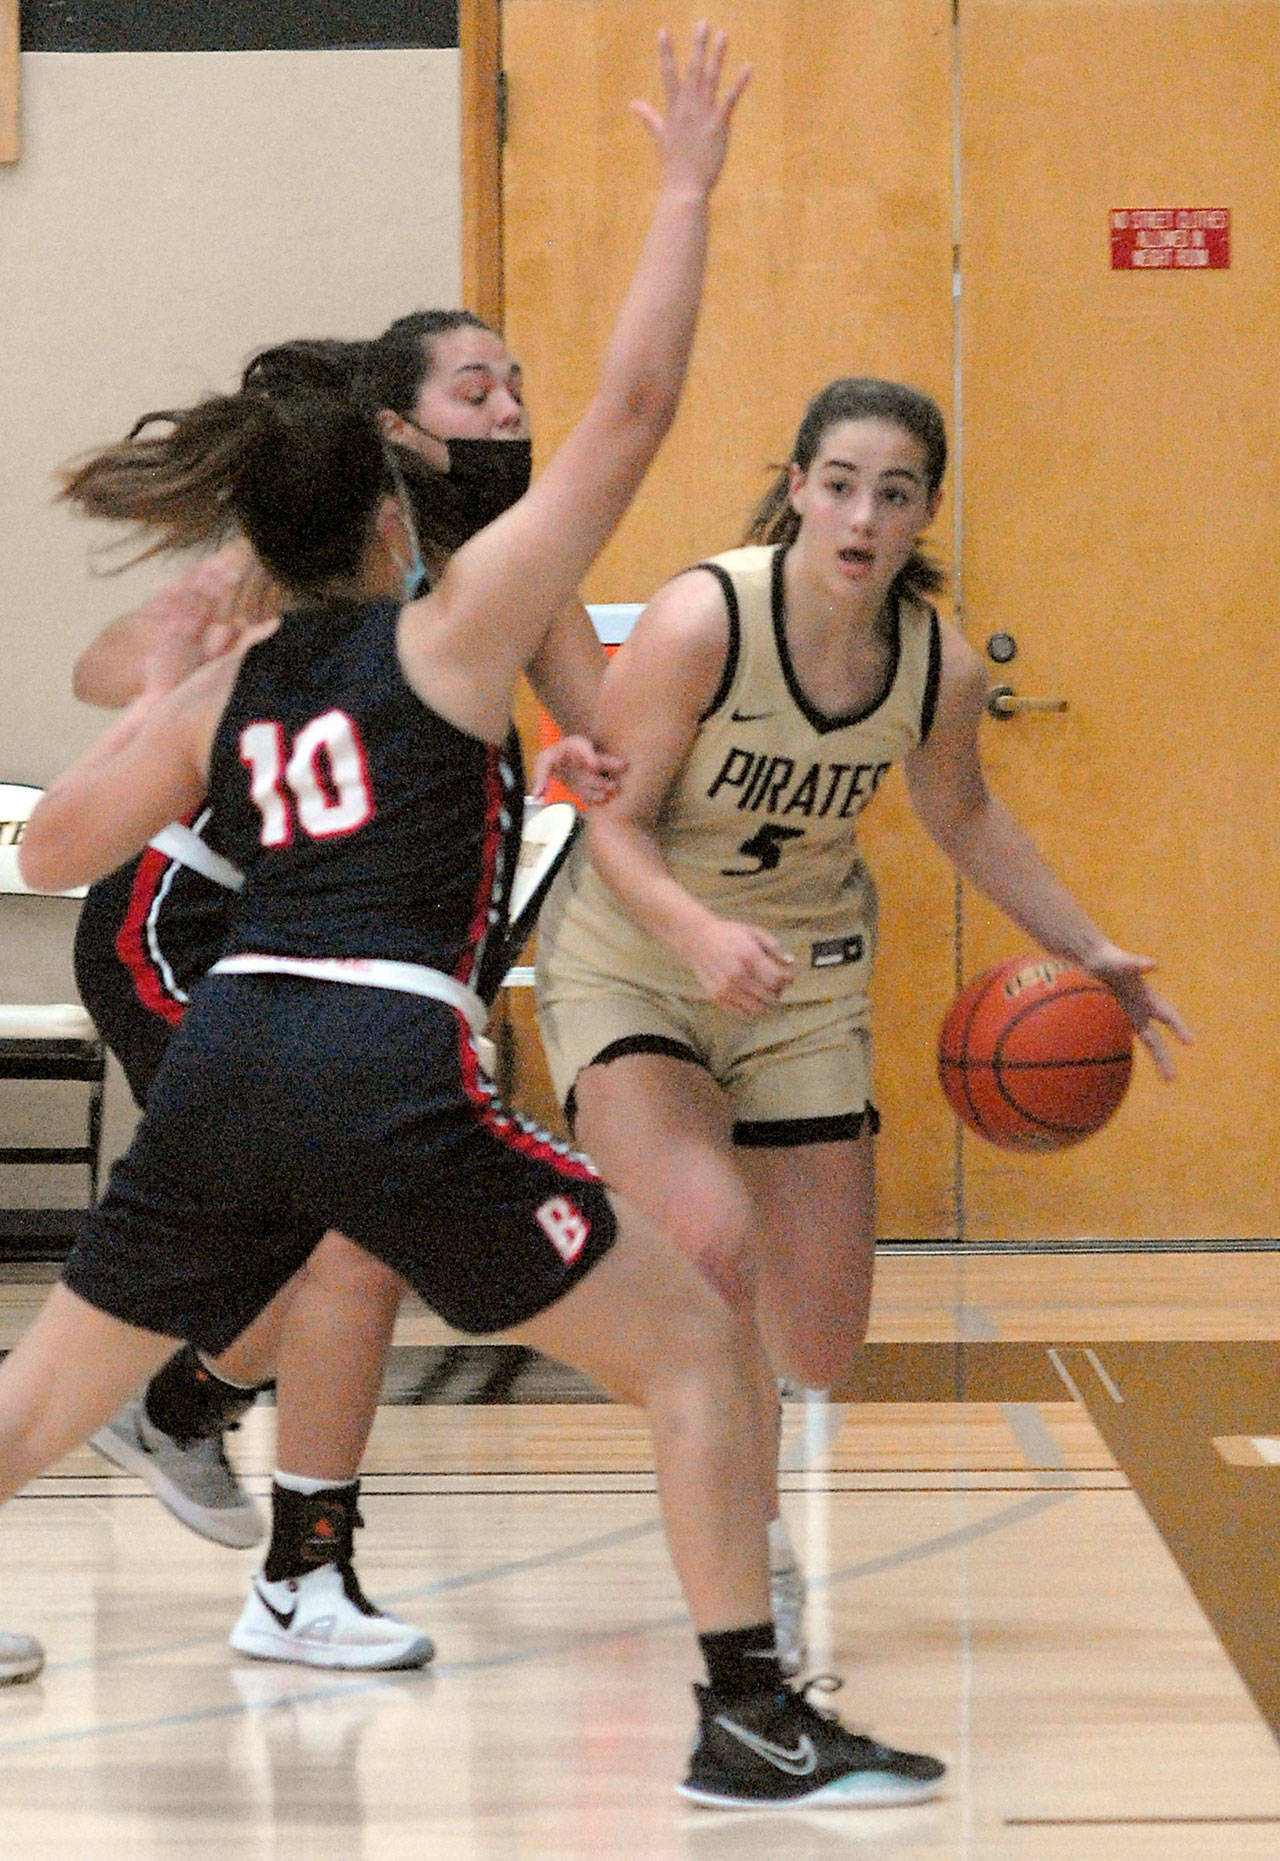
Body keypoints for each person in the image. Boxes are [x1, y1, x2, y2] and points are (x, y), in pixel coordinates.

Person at [11, 30, 946, 1810]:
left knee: (41, 1401)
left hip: (226, 1059)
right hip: (373, 1044)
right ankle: (749, 1714)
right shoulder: (442, 632)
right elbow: (638, 412)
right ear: (387, 508)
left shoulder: (238, 687)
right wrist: (680, 189)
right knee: (691, 1343)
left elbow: (56, 850)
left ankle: (268, 1503)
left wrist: (174, 691)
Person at [534, 372, 1194, 1668]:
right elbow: (608, 822)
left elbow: (966, 817)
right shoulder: (700, 619)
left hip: (805, 978)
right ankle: (748, 1529)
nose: (862, 514)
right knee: (711, 1237)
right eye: (839, 483)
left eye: (894, 494)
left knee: (823, 1337)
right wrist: (699, 934)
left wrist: (1089, 945)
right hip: (638, 957)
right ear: (796, 488)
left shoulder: (932, 662)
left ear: (922, 512)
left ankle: (717, 1424)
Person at [68, 322, 617, 1670]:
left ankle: (260, 1514)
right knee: (342, 1234)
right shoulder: (307, 549)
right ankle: (213, 1450)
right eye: (472, 385)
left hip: (366, 952)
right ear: (395, 424)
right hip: (197, 920)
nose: (506, 403)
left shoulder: (505, 567)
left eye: (518, 381)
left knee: (351, 1246)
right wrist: (190, 663)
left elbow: (609, 740)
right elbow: (104, 671)